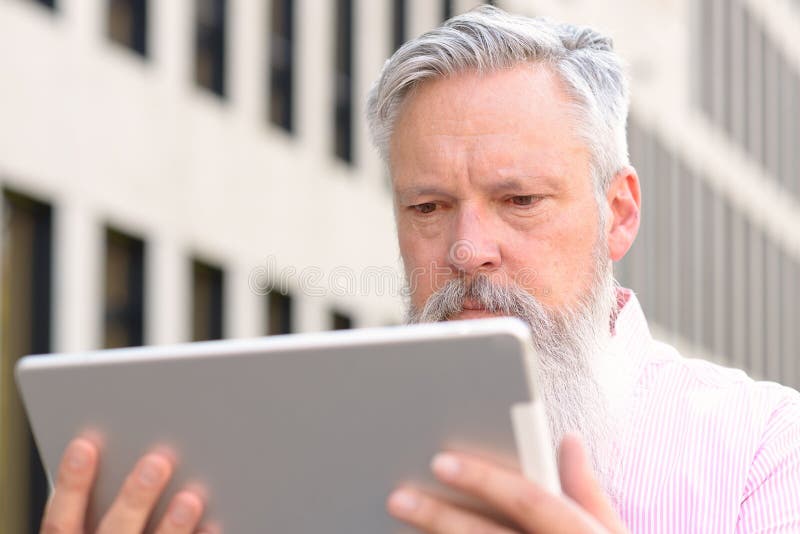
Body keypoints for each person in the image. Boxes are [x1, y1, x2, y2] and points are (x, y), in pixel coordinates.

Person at [41, 6, 800, 533]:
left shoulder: (765, 448)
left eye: (520, 199)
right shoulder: (287, 445)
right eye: (429, 208)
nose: (468, 249)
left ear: (620, 213)